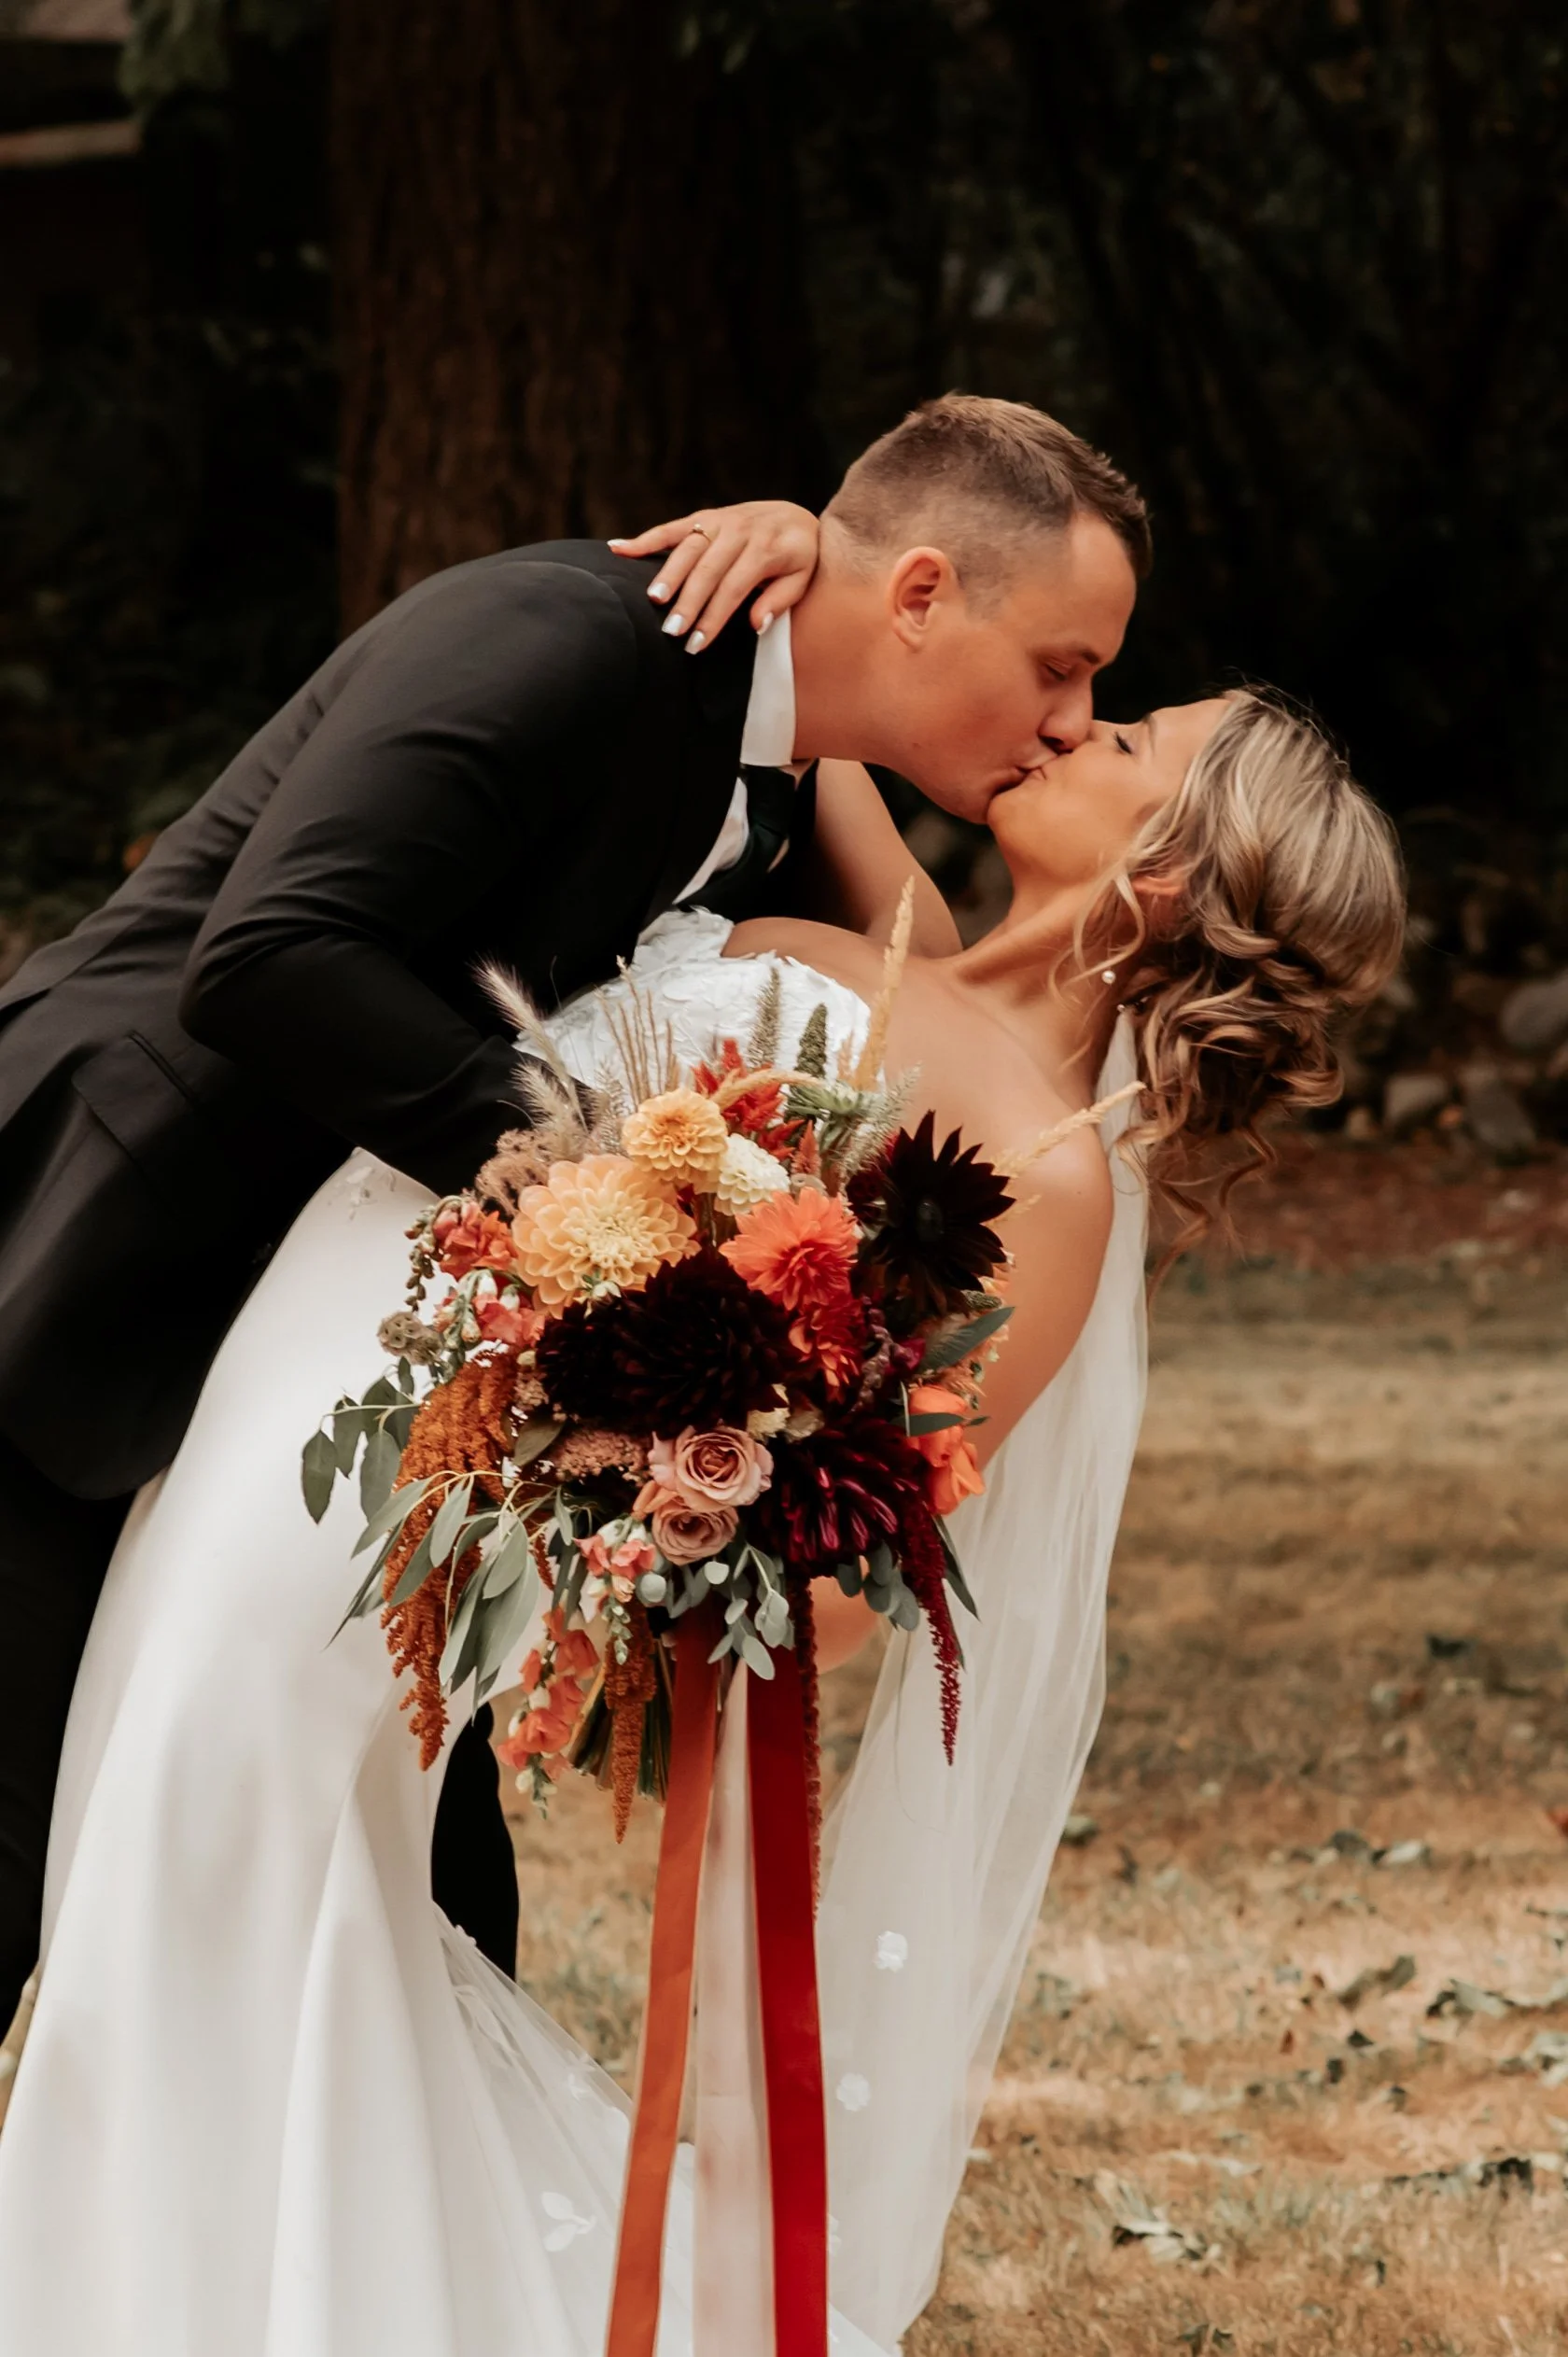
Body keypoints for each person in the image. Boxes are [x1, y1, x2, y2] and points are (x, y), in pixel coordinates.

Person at [0, 604, 1404, 2351]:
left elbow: (872, 1496)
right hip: (301, 1381)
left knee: (194, 1835)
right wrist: (789, 531)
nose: (1070, 730)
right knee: (166, 1832)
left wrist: (640, 1441)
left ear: (1177, 883)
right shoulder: (893, 931)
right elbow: (833, 665)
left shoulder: (1045, 1180)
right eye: (1084, 699)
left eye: (1123, 744)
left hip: (440, 1499)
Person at [0, 394, 1148, 2032]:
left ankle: (385, 2257)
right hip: (92, 1247)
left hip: (335, 1377)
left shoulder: (771, 787)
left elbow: (946, 988)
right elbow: (272, 954)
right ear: (919, 598)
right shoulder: (571, 642)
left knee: (418, 1907)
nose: (1069, 714)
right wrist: (603, 1192)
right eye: (1061, 664)